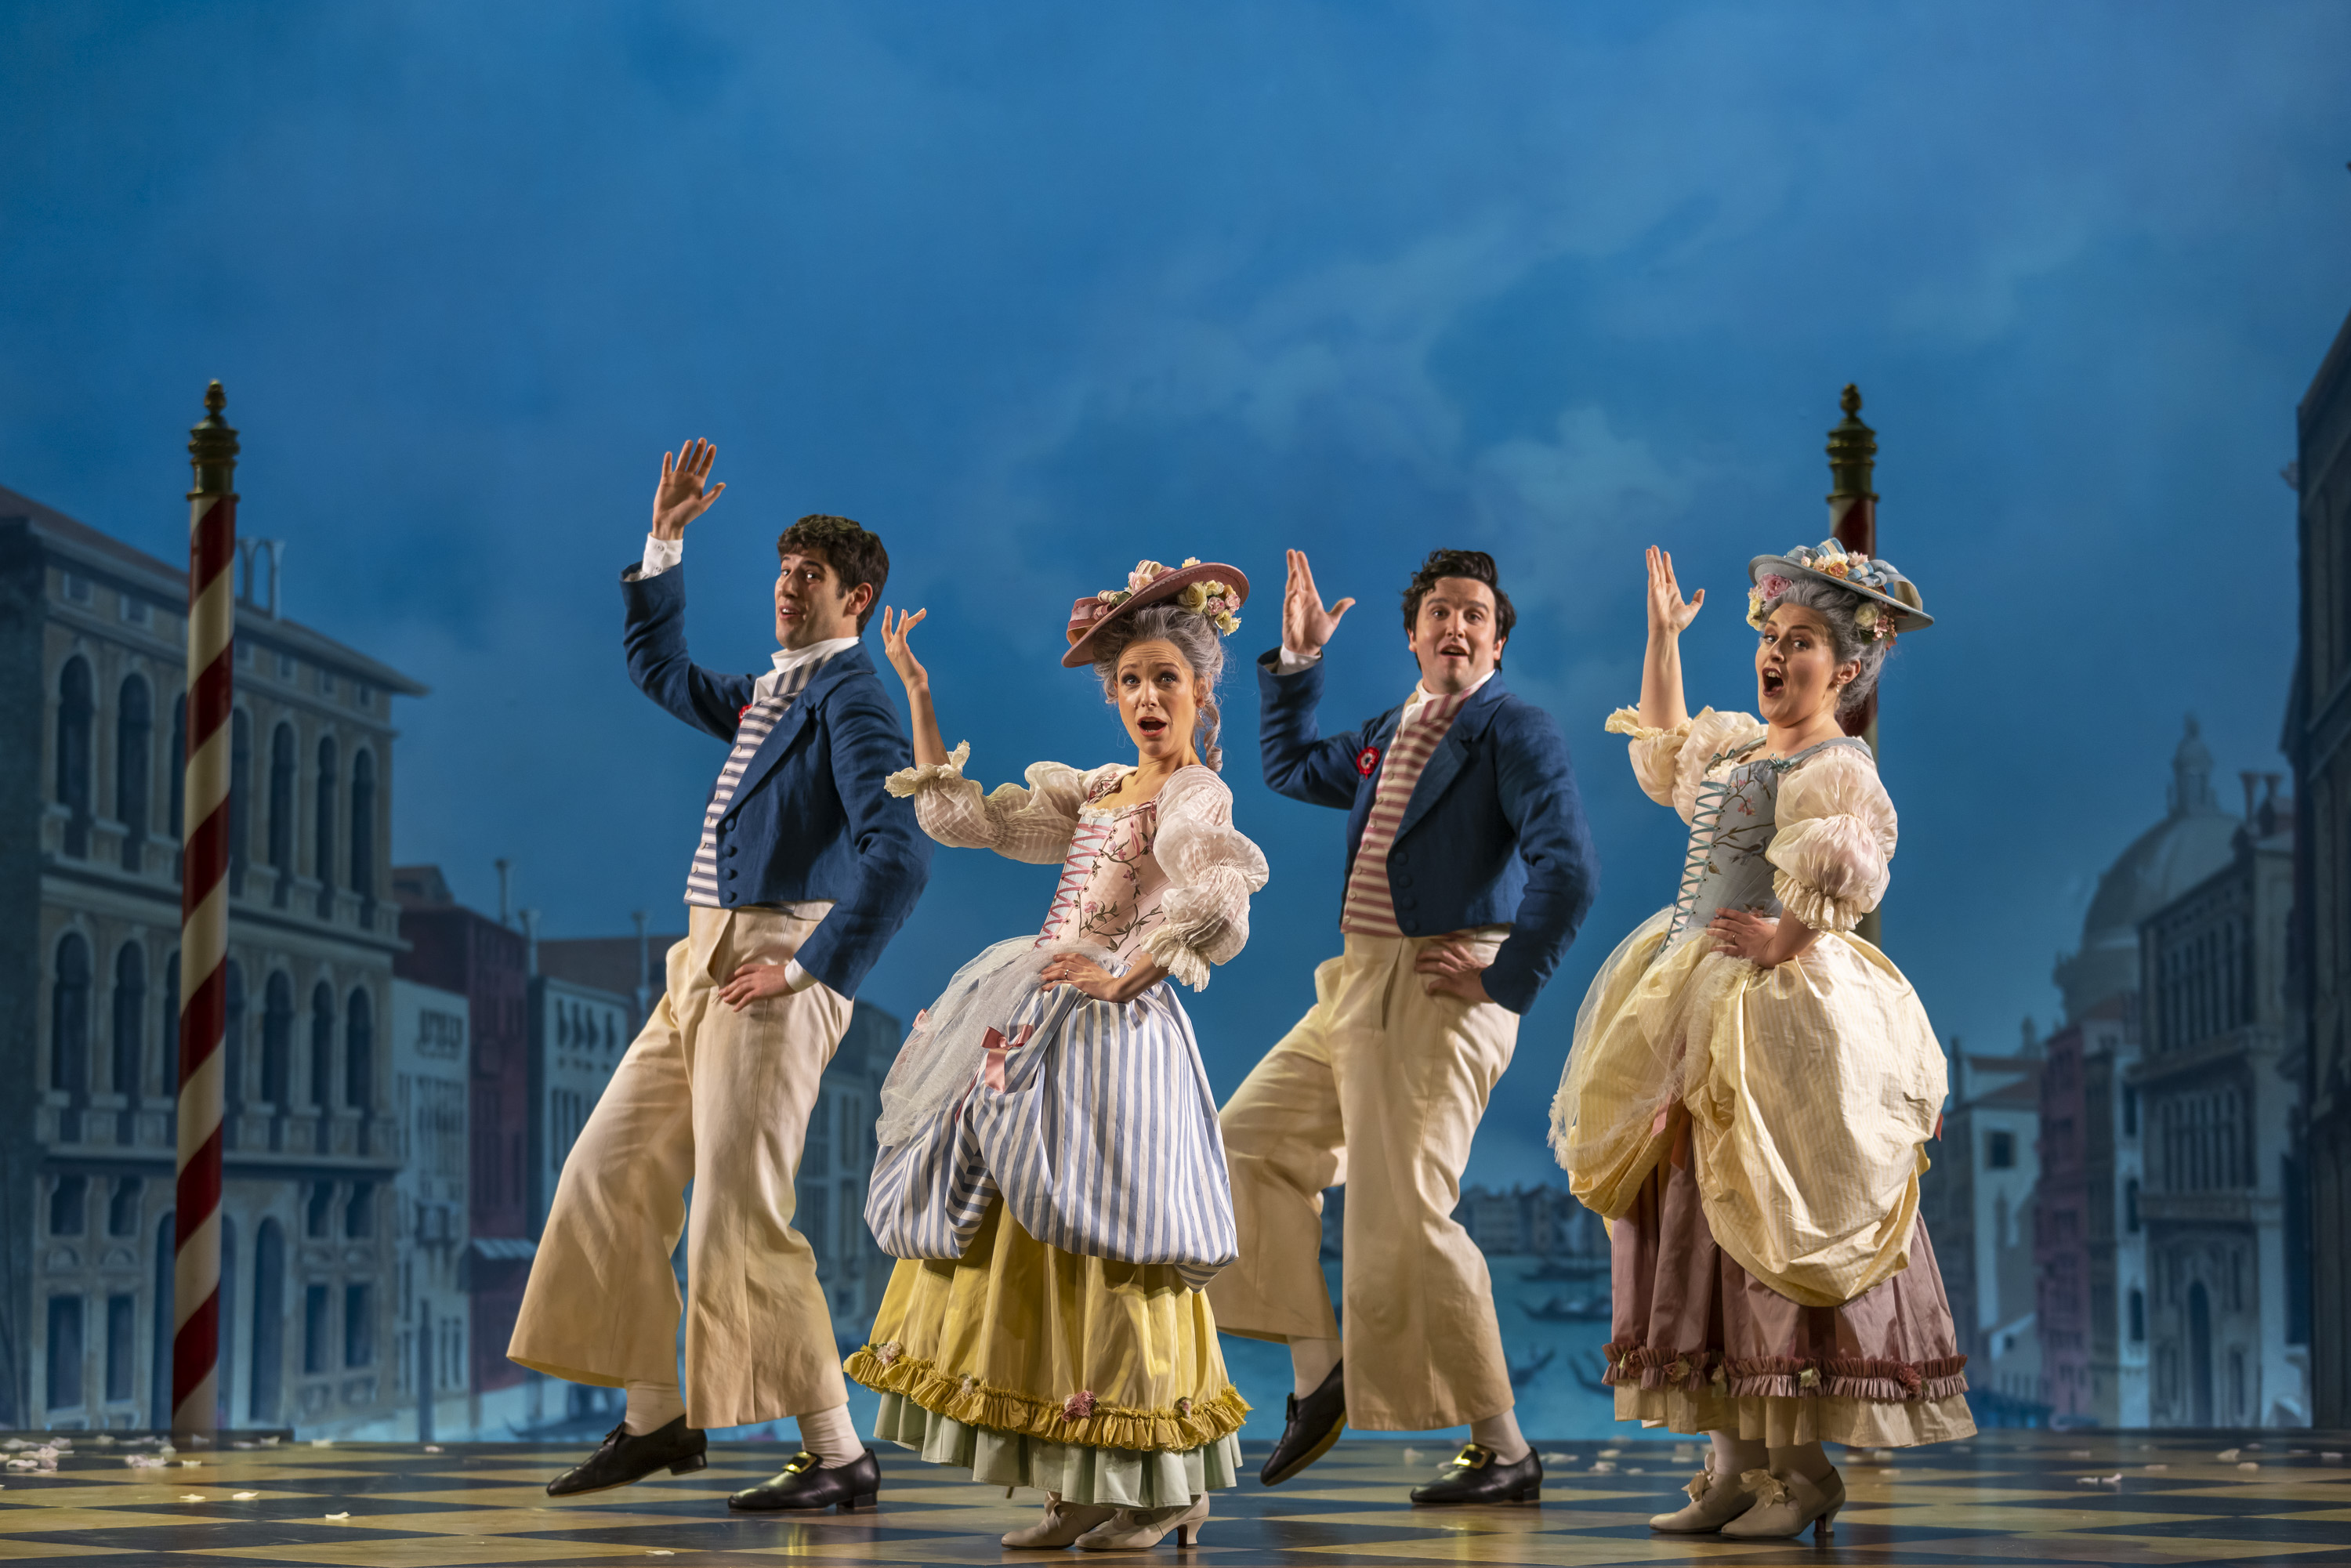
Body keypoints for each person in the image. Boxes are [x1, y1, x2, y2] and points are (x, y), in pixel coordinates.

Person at [511, 439, 933, 1511]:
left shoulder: (852, 697)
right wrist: (666, 542)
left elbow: (904, 850)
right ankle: (657, 1421)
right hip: (698, 963)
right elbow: (659, 671)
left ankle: (840, 1452)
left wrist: (810, 969)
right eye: (783, 574)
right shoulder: (771, 692)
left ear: (857, 597)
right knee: (606, 1175)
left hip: (767, 967)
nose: (788, 590)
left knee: (739, 1212)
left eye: (810, 580)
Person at [1551, 542, 1971, 1543]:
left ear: (1848, 669)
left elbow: (1846, 865)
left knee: (1769, 1217)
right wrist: (1663, 638)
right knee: (1690, 1217)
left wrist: (1787, 935)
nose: (1778, 658)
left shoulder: (1836, 764)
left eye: (1803, 645)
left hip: (1778, 1016)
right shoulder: (1740, 752)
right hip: (1687, 1000)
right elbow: (1664, 748)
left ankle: (1801, 1469)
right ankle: (1728, 1464)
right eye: (1773, 641)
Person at [849, 558, 1267, 1552]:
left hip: (1120, 1040)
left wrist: (1135, 970)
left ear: (1201, 689)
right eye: (1129, 681)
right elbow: (975, 822)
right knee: (1032, 1240)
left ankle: (1165, 1490)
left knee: (1113, 1246)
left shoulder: (1194, 794)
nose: (1146, 698)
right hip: (1044, 1023)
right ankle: (1079, 1479)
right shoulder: (1103, 787)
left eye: (1165, 677)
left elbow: (1219, 895)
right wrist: (918, 698)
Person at [1211, 547, 1599, 1506]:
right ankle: (1319, 1372)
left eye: (1474, 614)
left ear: (1497, 639)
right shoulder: (1393, 729)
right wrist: (1298, 666)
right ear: (1413, 637)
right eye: (1439, 613)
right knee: (1243, 1147)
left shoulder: (1516, 728)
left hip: (1438, 989)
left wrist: (1505, 978)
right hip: (1352, 985)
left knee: (1408, 1216)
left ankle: (1504, 1448)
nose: (1456, 626)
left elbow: (1570, 869)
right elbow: (1294, 768)